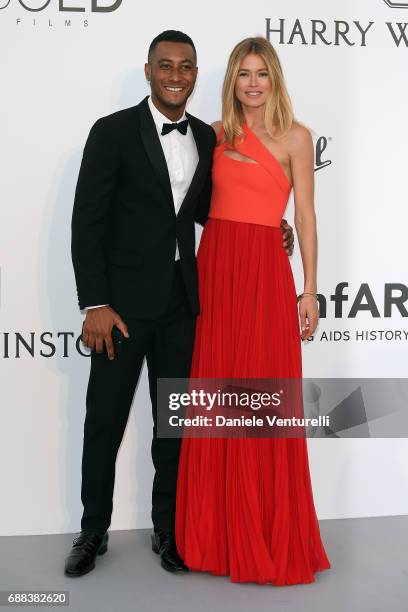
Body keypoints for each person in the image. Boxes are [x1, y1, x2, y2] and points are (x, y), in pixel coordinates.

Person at [64, 30, 294, 577]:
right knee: (105, 422)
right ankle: (91, 531)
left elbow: (211, 210)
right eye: (165, 65)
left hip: (185, 307)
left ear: (195, 74)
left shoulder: (208, 138)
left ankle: (168, 531)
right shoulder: (113, 131)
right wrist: (94, 302)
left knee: (174, 428)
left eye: (185, 66)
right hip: (119, 311)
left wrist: (272, 230)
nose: (175, 75)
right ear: (148, 71)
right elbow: (86, 222)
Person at [175, 37, 331, 585]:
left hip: (266, 275)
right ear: (232, 82)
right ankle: (214, 536)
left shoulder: (296, 138)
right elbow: (189, 206)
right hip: (217, 270)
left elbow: (306, 217)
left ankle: (264, 533)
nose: (252, 82)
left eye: (261, 73)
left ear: (275, 77)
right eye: (243, 73)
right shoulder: (213, 136)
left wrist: (309, 290)